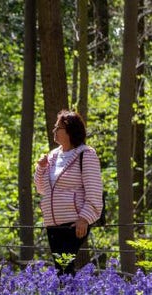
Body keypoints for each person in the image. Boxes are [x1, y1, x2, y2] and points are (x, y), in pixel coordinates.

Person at [34, 109, 103, 275]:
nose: (54, 131)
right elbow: (41, 189)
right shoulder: (52, 156)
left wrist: (84, 219)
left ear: (71, 131)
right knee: (62, 268)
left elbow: (94, 190)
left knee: (64, 268)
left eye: (58, 128)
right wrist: (41, 168)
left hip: (74, 223)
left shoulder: (86, 154)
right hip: (53, 224)